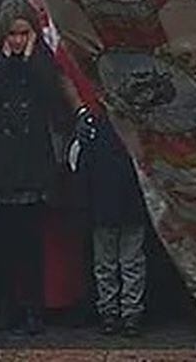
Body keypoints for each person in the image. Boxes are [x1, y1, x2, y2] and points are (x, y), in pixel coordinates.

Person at [0, 0, 64, 335]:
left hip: (30, 158)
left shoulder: (41, 62)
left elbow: (52, 94)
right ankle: (7, 306)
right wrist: (7, 61)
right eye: (13, 34)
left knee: (30, 243)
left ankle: (34, 308)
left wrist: (32, 57)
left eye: (24, 34)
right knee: (2, 243)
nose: (18, 41)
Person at [74, 111, 148, 337]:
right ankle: (126, 312)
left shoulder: (93, 123)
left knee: (113, 262)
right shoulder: (135, 122)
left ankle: (116, 312)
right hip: (124, 199)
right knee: (127, 262)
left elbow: (81, 165)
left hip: (108, 200)